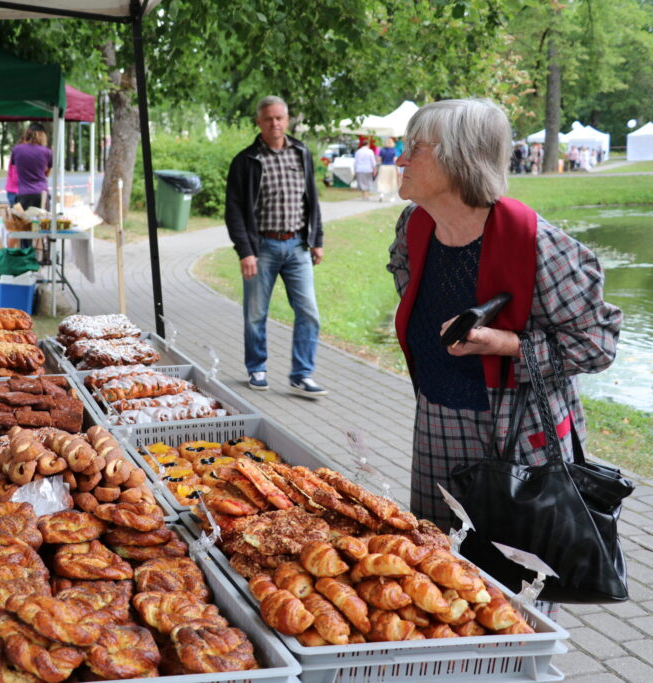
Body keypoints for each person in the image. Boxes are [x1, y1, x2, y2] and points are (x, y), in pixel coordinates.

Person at [386, 98, 621, 540]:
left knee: (518, 587)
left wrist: (508, 344)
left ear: (459, 158)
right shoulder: (415, 225)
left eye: (415, 147)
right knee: (440, 574)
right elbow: (403, 270)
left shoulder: (538, 245)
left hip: (521, 445)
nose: (401, 158)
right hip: (435, 425)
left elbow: (598, 343)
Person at [225, 95, 328, 398]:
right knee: (256, 314)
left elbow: (312, 200)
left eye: (280, 118)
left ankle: (302, 375)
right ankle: (257, 368)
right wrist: (245, 251)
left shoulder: (301, 152)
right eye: (268, 118)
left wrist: (317, 240)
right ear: (259, 122)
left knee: (309, 312)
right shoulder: (245, 161)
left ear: (288, 120)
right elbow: (233, 210)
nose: (275, 124)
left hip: (297, 246)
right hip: (262, 248)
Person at [11, 122, 52, 210]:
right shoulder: (47, 152)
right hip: (41, 194)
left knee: (23, 223)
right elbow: (47, 174)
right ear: (42, 135)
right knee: (43, 222)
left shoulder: (17, 149)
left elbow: (15, 167)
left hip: (23, 194)